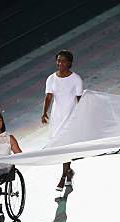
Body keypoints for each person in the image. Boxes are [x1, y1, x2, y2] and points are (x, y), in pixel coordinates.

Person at [41, 50, 83, 191]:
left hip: (71, 116)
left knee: (65, 146)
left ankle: (63, 177)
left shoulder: (76, 79)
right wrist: (44, 112)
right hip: (57, 117)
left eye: (63, 61)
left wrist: (82, 114)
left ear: (70, 63)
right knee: (59, 147)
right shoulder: (51, 79)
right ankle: (69, 172)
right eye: (58, 60)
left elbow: (79, 99)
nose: (60, 63)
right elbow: (48, 97)